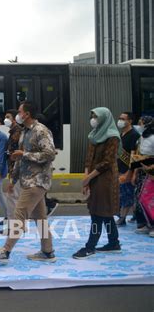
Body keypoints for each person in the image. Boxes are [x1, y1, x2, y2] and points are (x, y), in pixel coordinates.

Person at [0, 102, 57, 263]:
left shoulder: (41, 131)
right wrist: (14, 179)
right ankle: (48, 252)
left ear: (27, 114)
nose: (18, 114)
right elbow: (20, 158)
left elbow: (50, 154)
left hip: (37, 180)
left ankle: (5, 251)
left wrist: (24, 154)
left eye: (20, 111)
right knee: (40, 219)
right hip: (27, 180)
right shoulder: (25, 132)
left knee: (19, 215)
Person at [73, 107, 121, 259]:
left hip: (105, 178)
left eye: (96, 117)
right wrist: (86, 178)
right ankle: (114, 243)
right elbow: (89, 158)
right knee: (105, 212)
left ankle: (90, 247)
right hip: (94, 177)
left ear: (104, 118)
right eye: (92, 116)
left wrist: (89, 177)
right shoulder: (94, 135)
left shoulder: (112, 136)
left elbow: (107, 162)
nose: (93, 119)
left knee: (97, 213)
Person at [126, 116, 154, 235]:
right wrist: (134, 173)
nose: (139, 125)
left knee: (148, 199)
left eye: (140, 123)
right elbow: (138, 156)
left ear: (147, 125)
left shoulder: (153, 138)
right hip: (142, 171)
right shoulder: (141, 138)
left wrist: (148, 166)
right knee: (138, 198)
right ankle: (146, 224)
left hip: (151, 172)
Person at [116, 112, 140, 226]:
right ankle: (135, 214)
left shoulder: (134, 135)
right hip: (120, 168)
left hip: (127, 170)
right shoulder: (122, 134)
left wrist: (129, 172)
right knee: (123, 193)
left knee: (126, 193)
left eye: (123, 119)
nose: (120, 120)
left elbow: (133, 156)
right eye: (119, 118)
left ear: (130, 121)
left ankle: (122, 217)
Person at [3, 109, 23, 233]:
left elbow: (16, 152)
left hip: (17, 168)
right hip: (13, 168)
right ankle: (19, 226)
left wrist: (9, 154)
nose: (6, 119)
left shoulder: (18, 132)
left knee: (13, 197)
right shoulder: (13, 132)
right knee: (15, 197)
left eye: (8, 117)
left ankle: (14, 227)